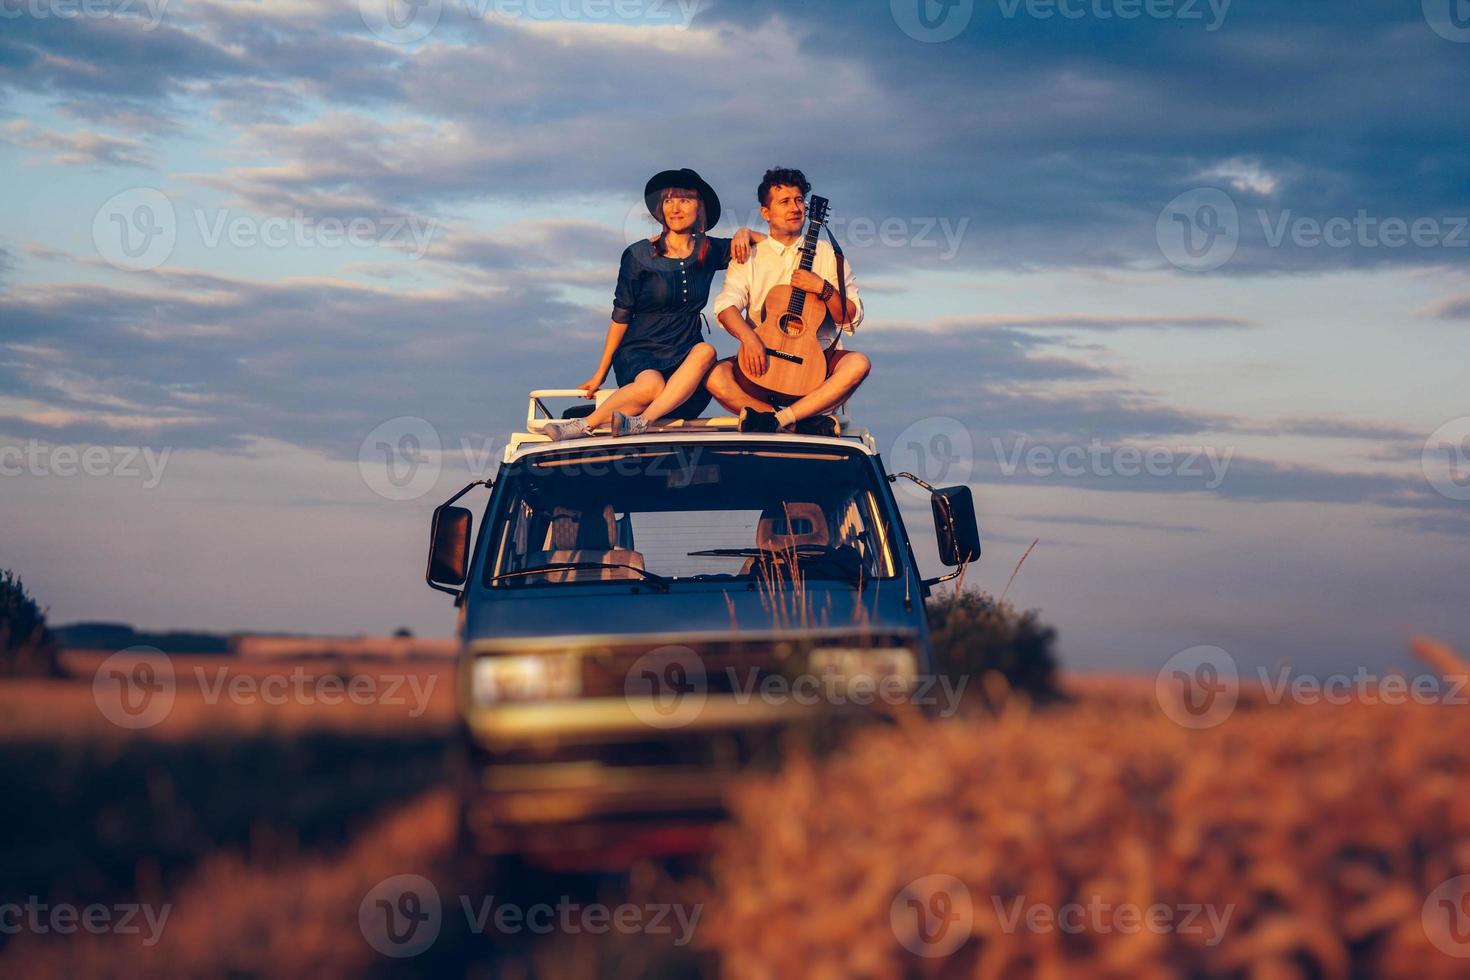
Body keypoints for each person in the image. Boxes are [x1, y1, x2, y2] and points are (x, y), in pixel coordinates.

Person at [543, 168, 762, 440]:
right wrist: (601, 371)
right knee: (652, 385)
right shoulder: (638, 254)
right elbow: (620, 316)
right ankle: (583, 424)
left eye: (685, 200)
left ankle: (641, 422)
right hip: (640, 351)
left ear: (700, 208)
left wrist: (746, 232)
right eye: (669, 201)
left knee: (706, 350)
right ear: (660, 209)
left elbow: (772, 248)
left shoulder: (710, 250)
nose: (676, 208)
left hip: (685, 358)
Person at [706, 167, 867, 436]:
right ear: (766, 213)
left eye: (799, 200)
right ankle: (782, 417)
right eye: (784, 202)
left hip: (814, 367)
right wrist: (750, 339)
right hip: (762, 362)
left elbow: (849, 317)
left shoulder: (827, 255)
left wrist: (823, 288)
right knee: (712, 374)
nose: (795, 207)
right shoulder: (750, 255)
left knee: (859, 363)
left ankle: (781, 419)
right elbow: (725, 307)